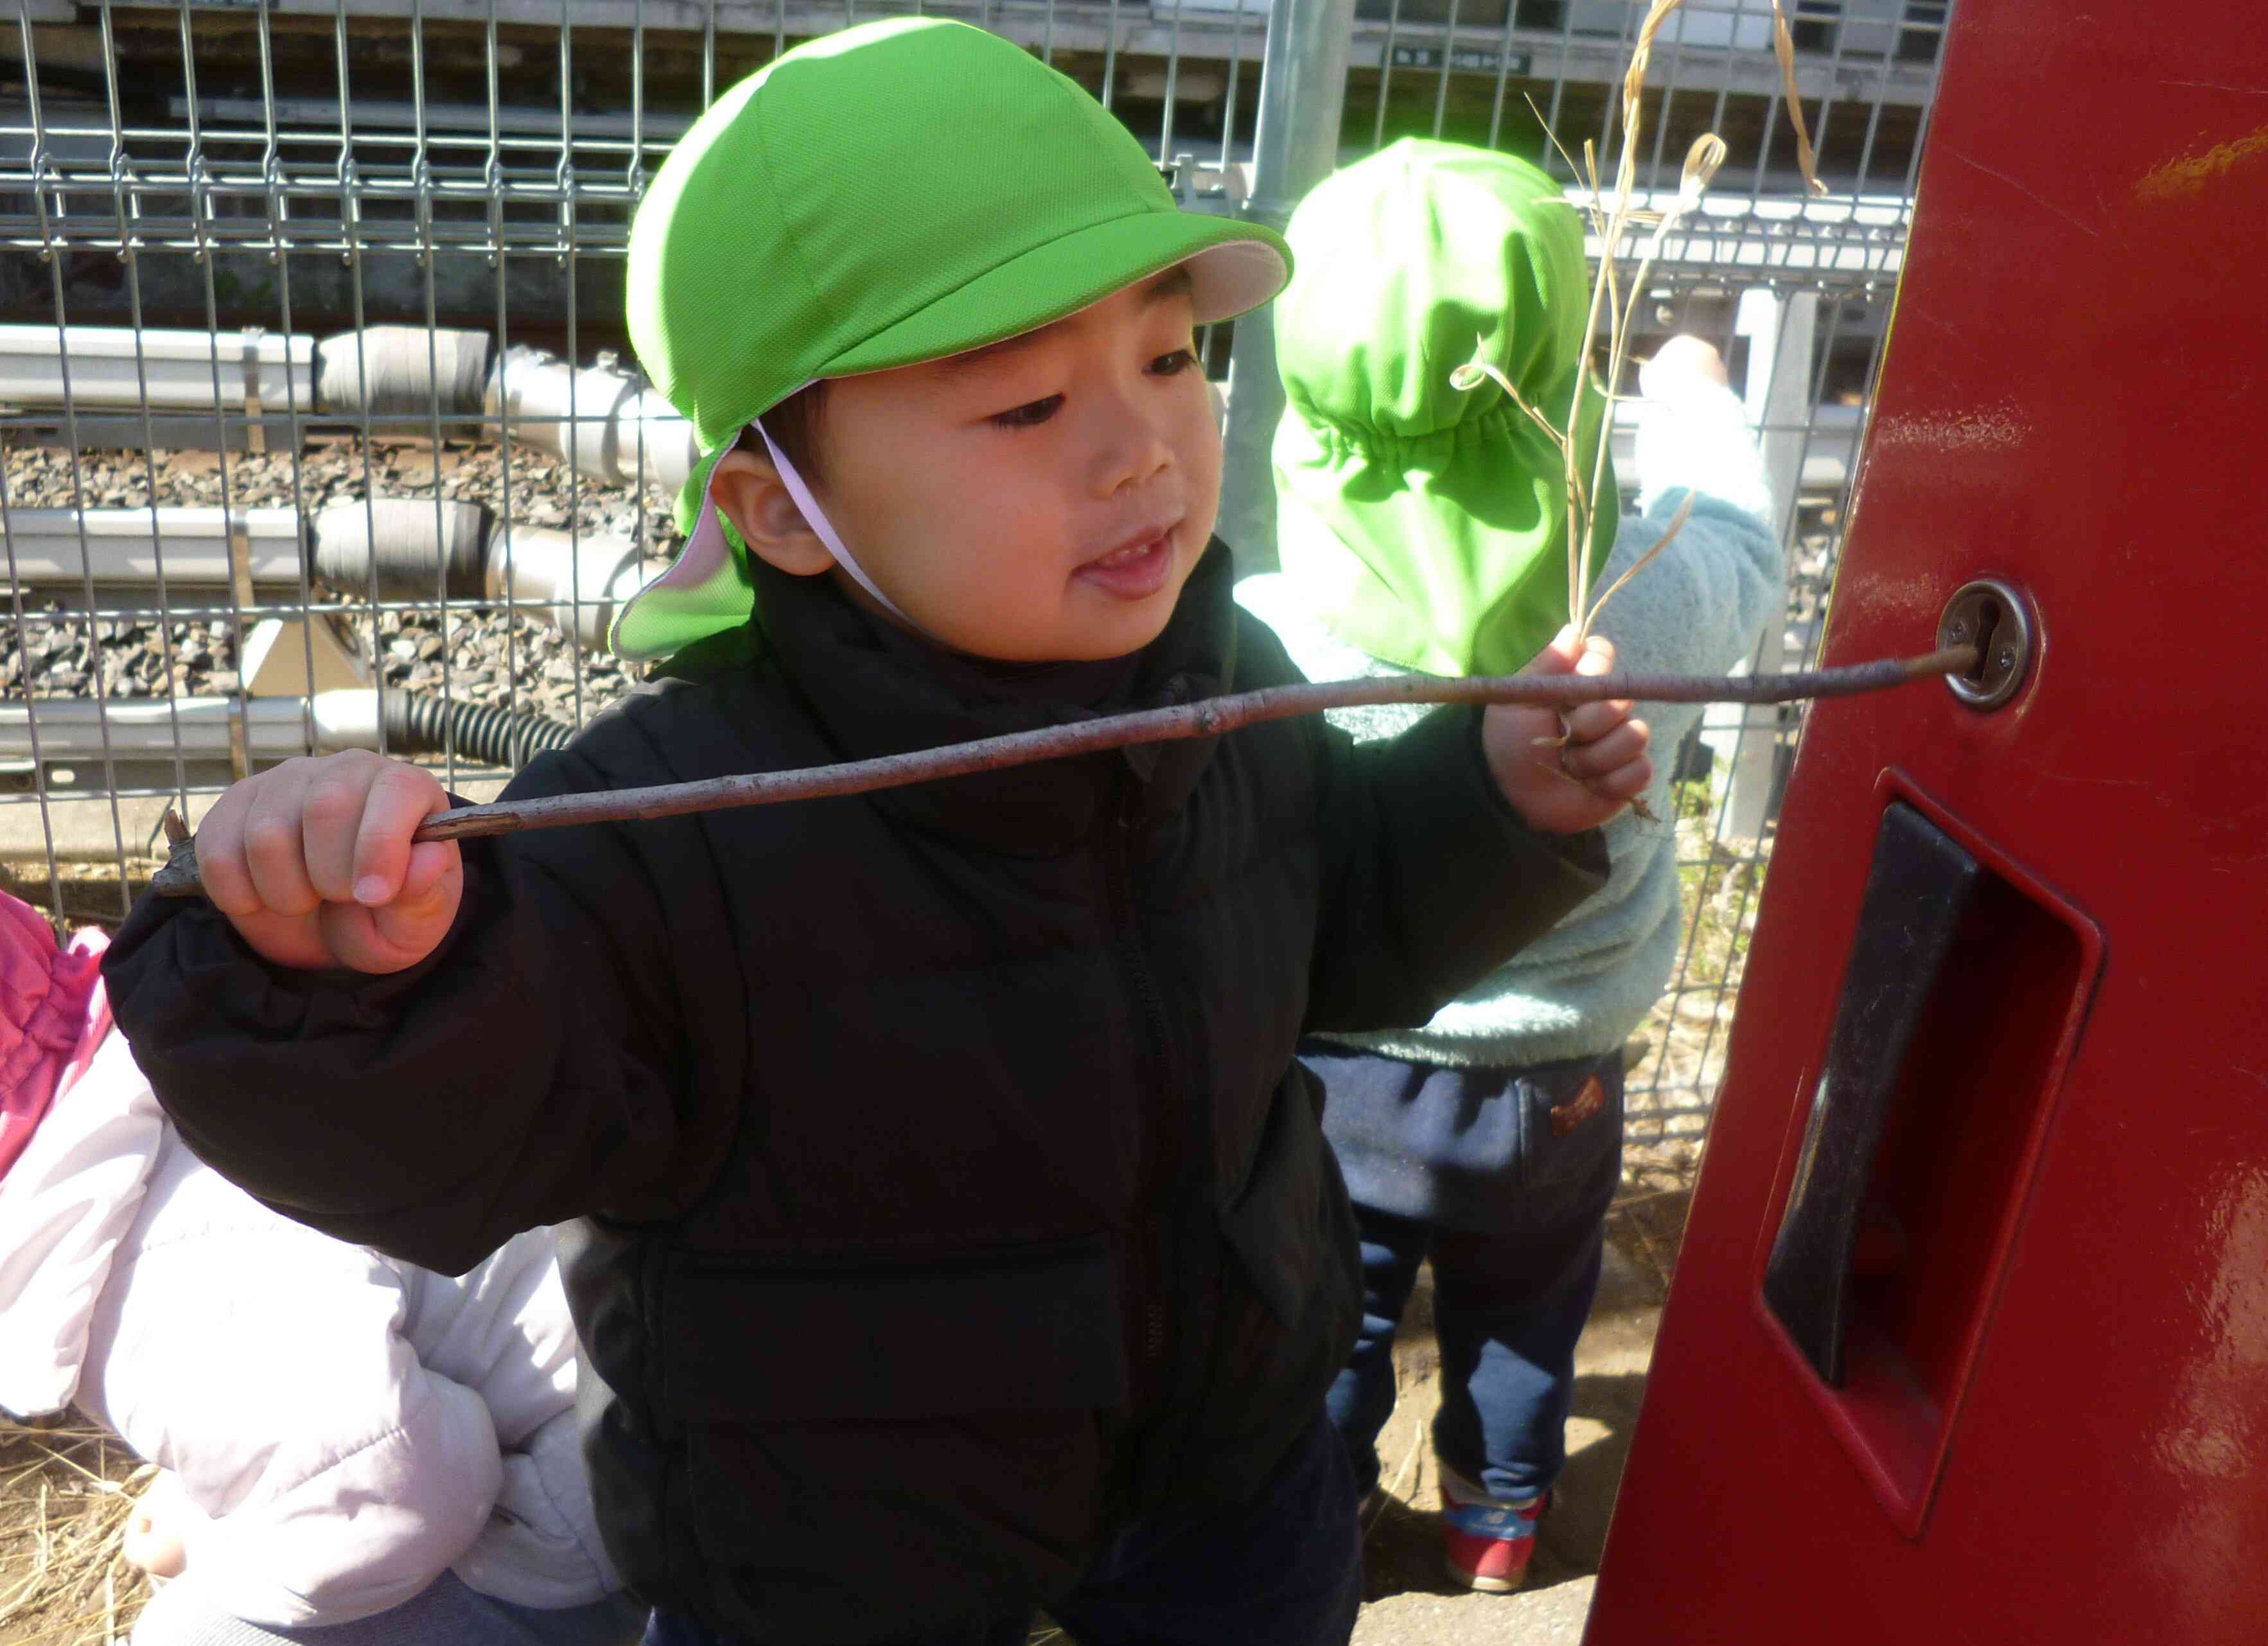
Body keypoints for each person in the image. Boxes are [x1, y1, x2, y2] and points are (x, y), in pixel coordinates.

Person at [100, 23, 1654, 1646]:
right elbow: (453, 1116)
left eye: (1170, 356)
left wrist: (1492, 806)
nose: (1139, 447)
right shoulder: (676, 827)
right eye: (1027, 402)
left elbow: (1324, 919)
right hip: (841, 1574)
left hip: (1229, 1491)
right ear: (780, 504)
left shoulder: (1212, 688)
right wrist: (327, 970)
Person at [1237, 137, 1785, 1594]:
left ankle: (1326, 1519)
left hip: (1343, 1071)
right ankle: (1497, 1526)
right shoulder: (1647, 592)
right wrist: (1690, 401)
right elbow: (1742, 541)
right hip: (1564, 1069)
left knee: (1332, 1315)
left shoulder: (1272, 631)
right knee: (1528, 1302)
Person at [0, 890, 644, 1646]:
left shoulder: (149, 1307)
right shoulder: (188, 1058)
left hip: (607, 1484)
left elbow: (402, 1489)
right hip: (619, 1310)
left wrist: (212, 1550)